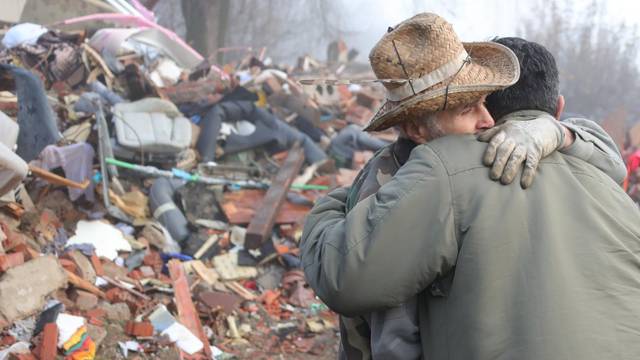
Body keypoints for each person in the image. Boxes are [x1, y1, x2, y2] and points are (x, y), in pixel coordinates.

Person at [301, 13, 640, 360]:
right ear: (417, 127)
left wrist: (336, 203)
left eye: (484, 101)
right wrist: (560, 130)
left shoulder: (442, 170)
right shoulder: (604, 179)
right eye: (469, 106)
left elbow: (349, 285)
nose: (488, 120)